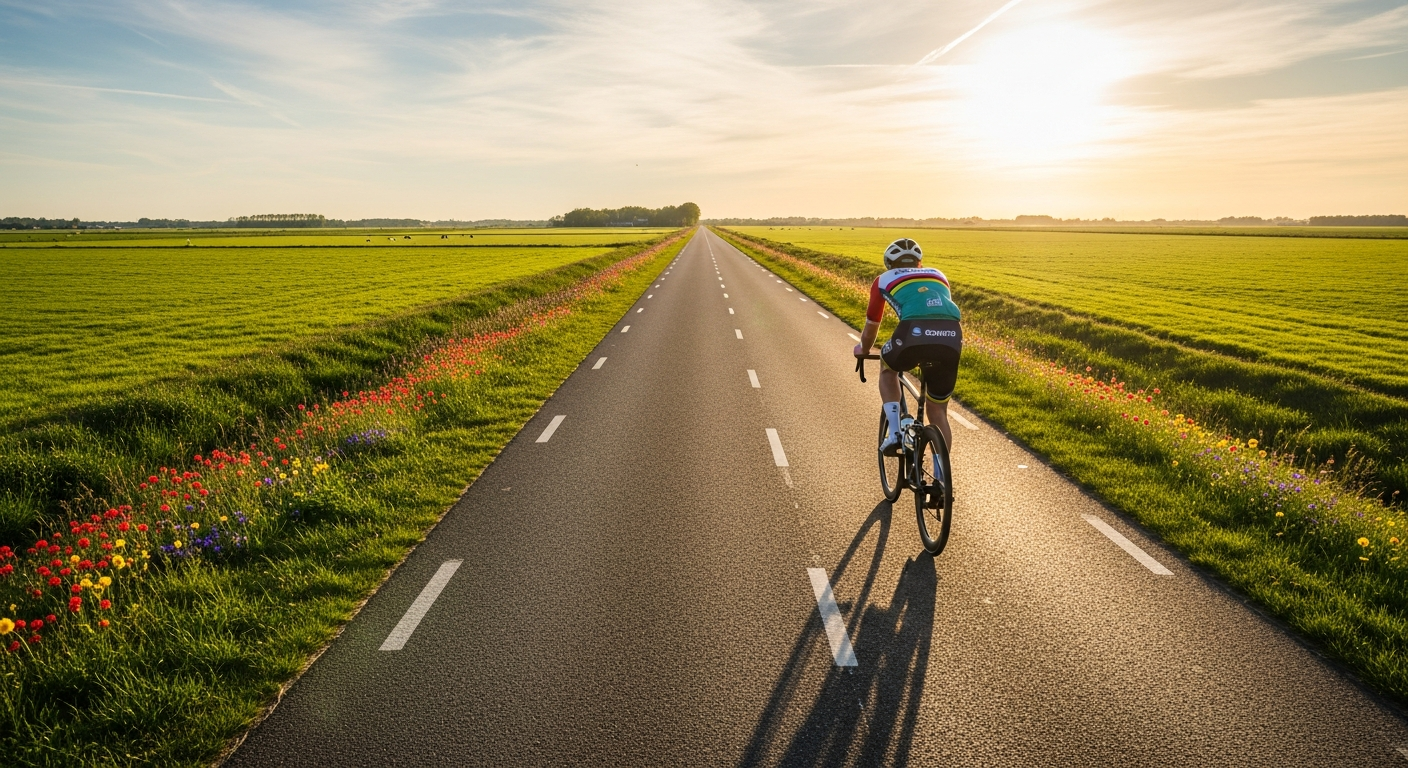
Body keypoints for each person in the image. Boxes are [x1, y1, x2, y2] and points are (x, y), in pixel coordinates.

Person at [852, 238, 963, 454]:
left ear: (889, 264)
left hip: (913, 332)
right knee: (938, 410)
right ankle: (941, 471)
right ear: (919, 262)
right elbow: (936, 311)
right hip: (952, 336)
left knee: (888, 369)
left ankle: (894, 432)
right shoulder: (939, 275)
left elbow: (872, 324)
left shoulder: (883, 279)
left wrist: (863, 349)